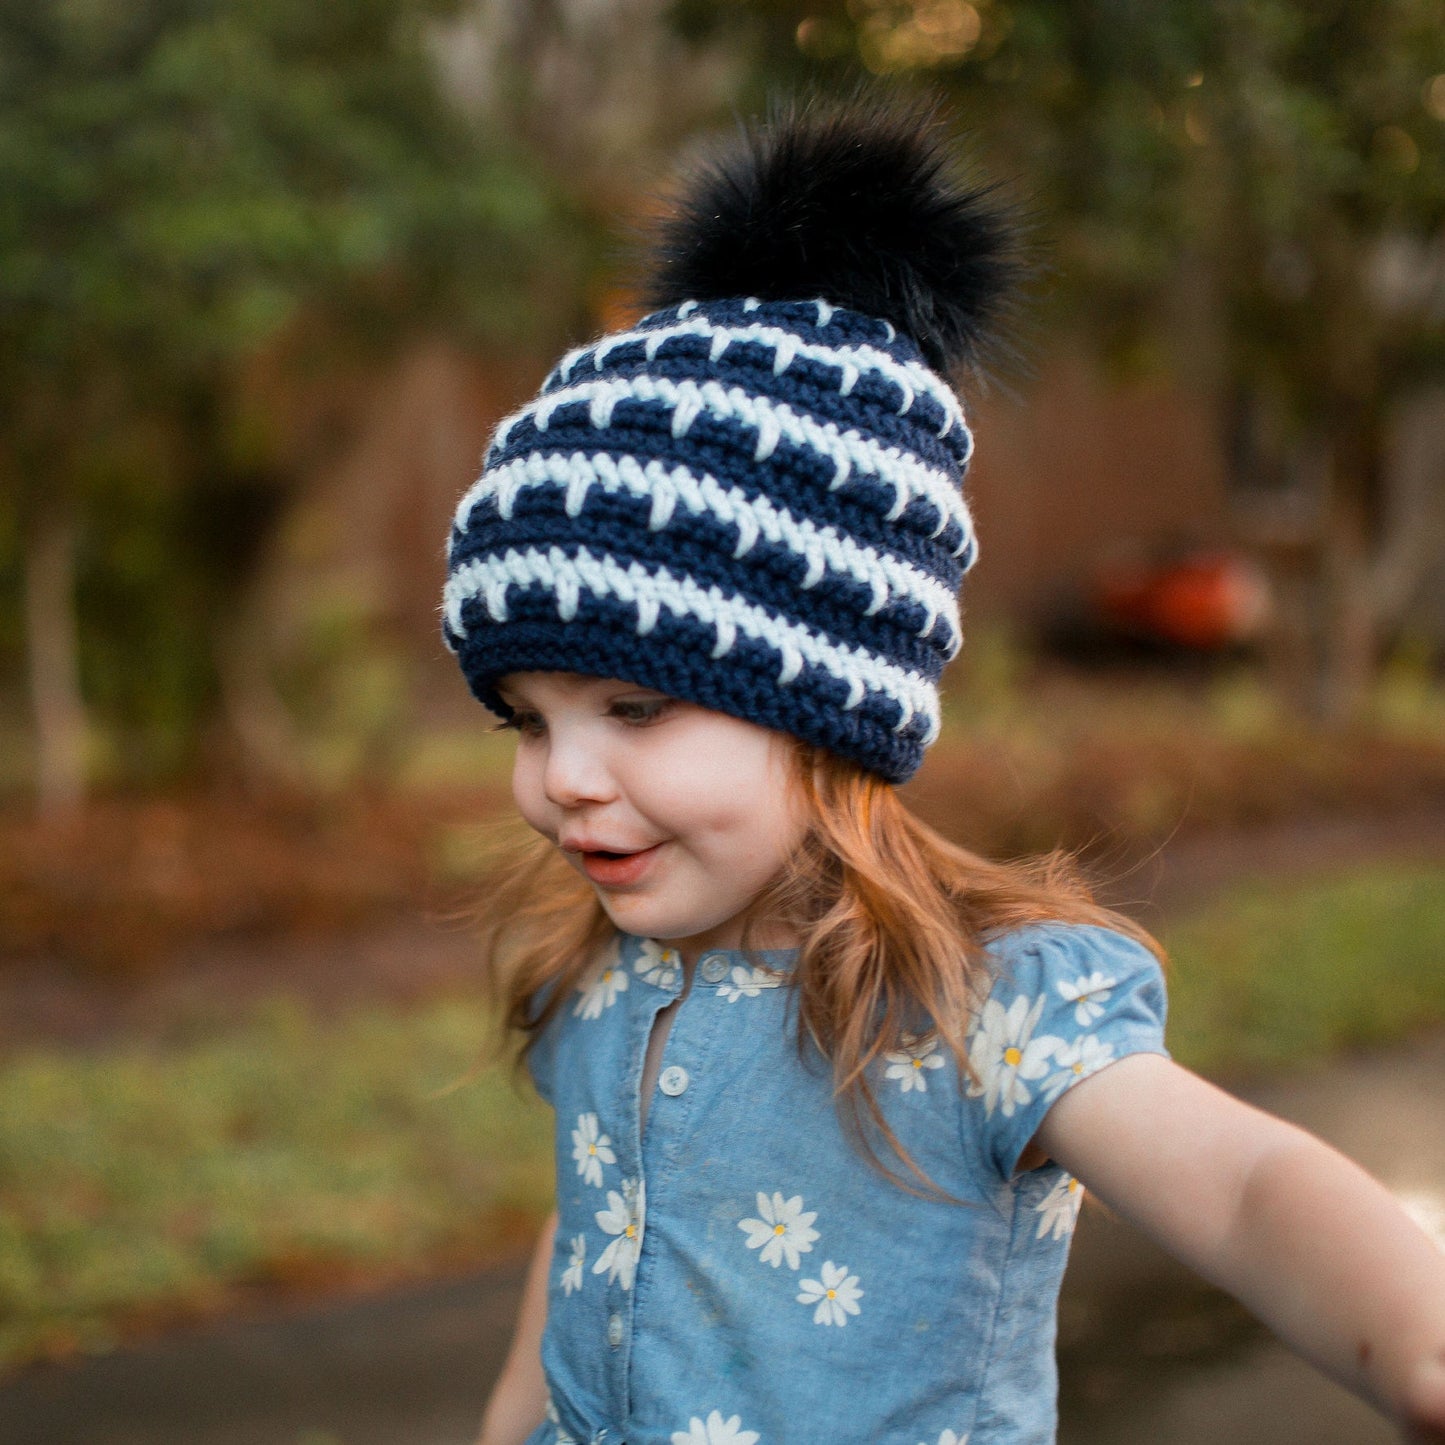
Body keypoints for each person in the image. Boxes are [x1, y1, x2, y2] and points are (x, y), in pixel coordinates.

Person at [441, 93, 1445, 1445]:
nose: (562, 776)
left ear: (828, 709)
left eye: (633, 706)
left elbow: (1242, 1185)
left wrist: (1414, 1343)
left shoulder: (973, 1009)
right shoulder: (599, 974)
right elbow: (592, 1233)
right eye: (525, 719)